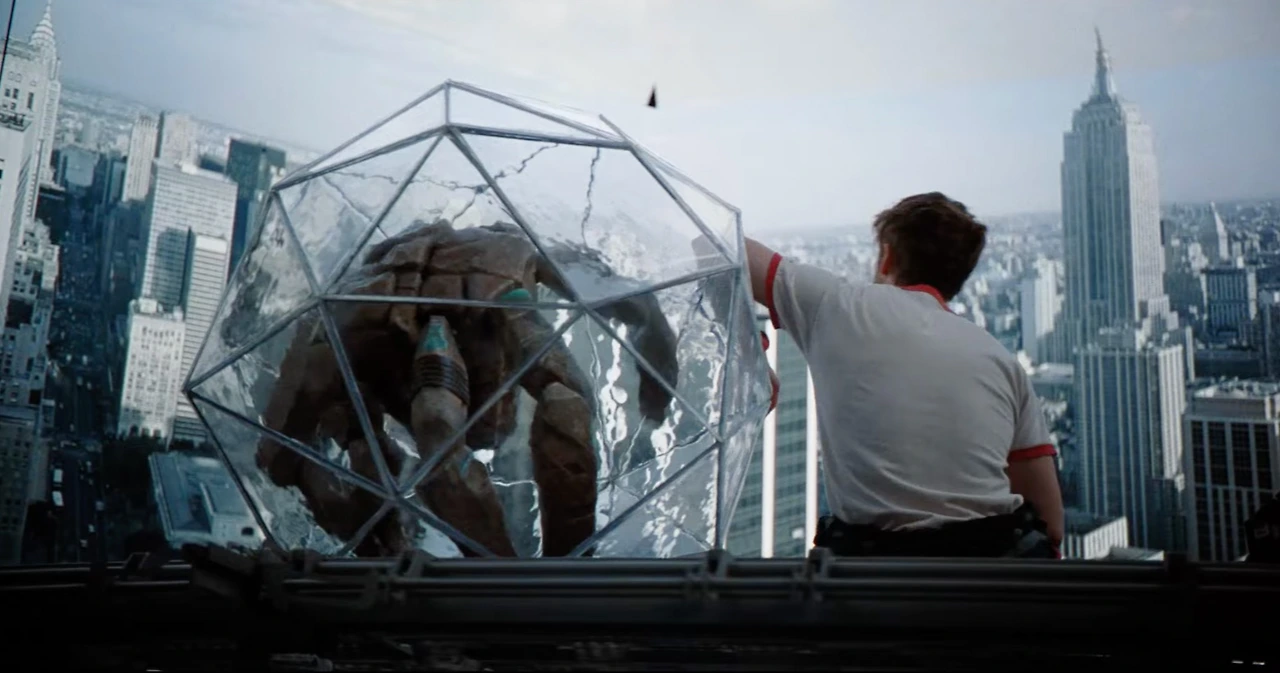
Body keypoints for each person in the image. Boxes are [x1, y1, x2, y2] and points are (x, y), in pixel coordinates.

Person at [742, 192, 1064, 558]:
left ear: (887, 256)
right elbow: (1051, 525)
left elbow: (722, 246)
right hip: (987, 577)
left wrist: (744, 344)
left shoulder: (838, 305)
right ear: (959, 276)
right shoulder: (1003, 362)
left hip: (871, 576)